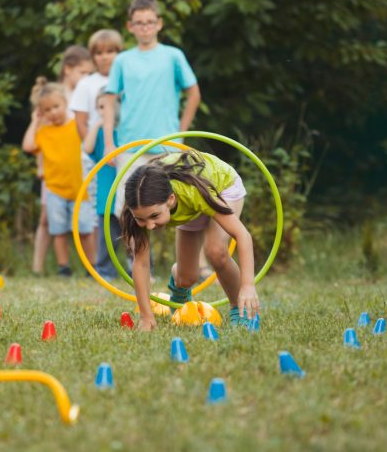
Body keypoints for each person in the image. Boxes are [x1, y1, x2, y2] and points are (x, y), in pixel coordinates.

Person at [120, 150, 259, 331]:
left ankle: (239, 309)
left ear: (171, 200)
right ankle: (178, 289)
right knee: (186, 278)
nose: (149, 226)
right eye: (141, 219)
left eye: (154, 216)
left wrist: (248, 286)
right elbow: (141, 264)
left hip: (221, 187)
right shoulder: (138, 206)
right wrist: (146, 317)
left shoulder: (193, 192)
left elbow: (242, 235)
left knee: (216, 251)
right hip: (190, 206)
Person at [102, 0, 201, 218]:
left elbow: (194, 93)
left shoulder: (173, 56)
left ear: (159, 23)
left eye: (149, 22)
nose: (145, 28)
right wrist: (109, 143)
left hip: (168, 145)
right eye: (139, 23)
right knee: (127, 209)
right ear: (130, 26)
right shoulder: (122, 60)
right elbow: (109, 101)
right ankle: (138, 255)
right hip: (130, 145)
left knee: (179, 205)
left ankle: (189, 253)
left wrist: (181, 132)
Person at [30, 45, 93, 276]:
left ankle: (92, 266)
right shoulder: (53, 97)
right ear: (68, 70)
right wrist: (40, 167)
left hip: (78, 173)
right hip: (54, 173)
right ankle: (42, 267)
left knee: (85, 222)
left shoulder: (84, 95)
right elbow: (39, 142)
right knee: (49, 219)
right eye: (83, 73)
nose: (87, 78)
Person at [70, 30, 123, 270]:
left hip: (123, 151)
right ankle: (100, 265)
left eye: (110, 52)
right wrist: (95, 151)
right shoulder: (86, 83)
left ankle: (134, 262)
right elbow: (81, 122)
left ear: (119, 53)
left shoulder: (124, 79)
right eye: (99, 53)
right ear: (92, 57)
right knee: (99, 210)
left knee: (124, 206)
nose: (104, 57)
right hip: (96, 154)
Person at [83, 89, 120, 280]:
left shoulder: (124, 132)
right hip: (106, 194)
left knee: (135, 234)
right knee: (107, 237)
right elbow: (87, 148)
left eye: (108, 106)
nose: (104, 111)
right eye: (100, 107)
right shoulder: (99, 135)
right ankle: (105, 271)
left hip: (125, 194)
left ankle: (140, 269)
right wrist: (98, 125)